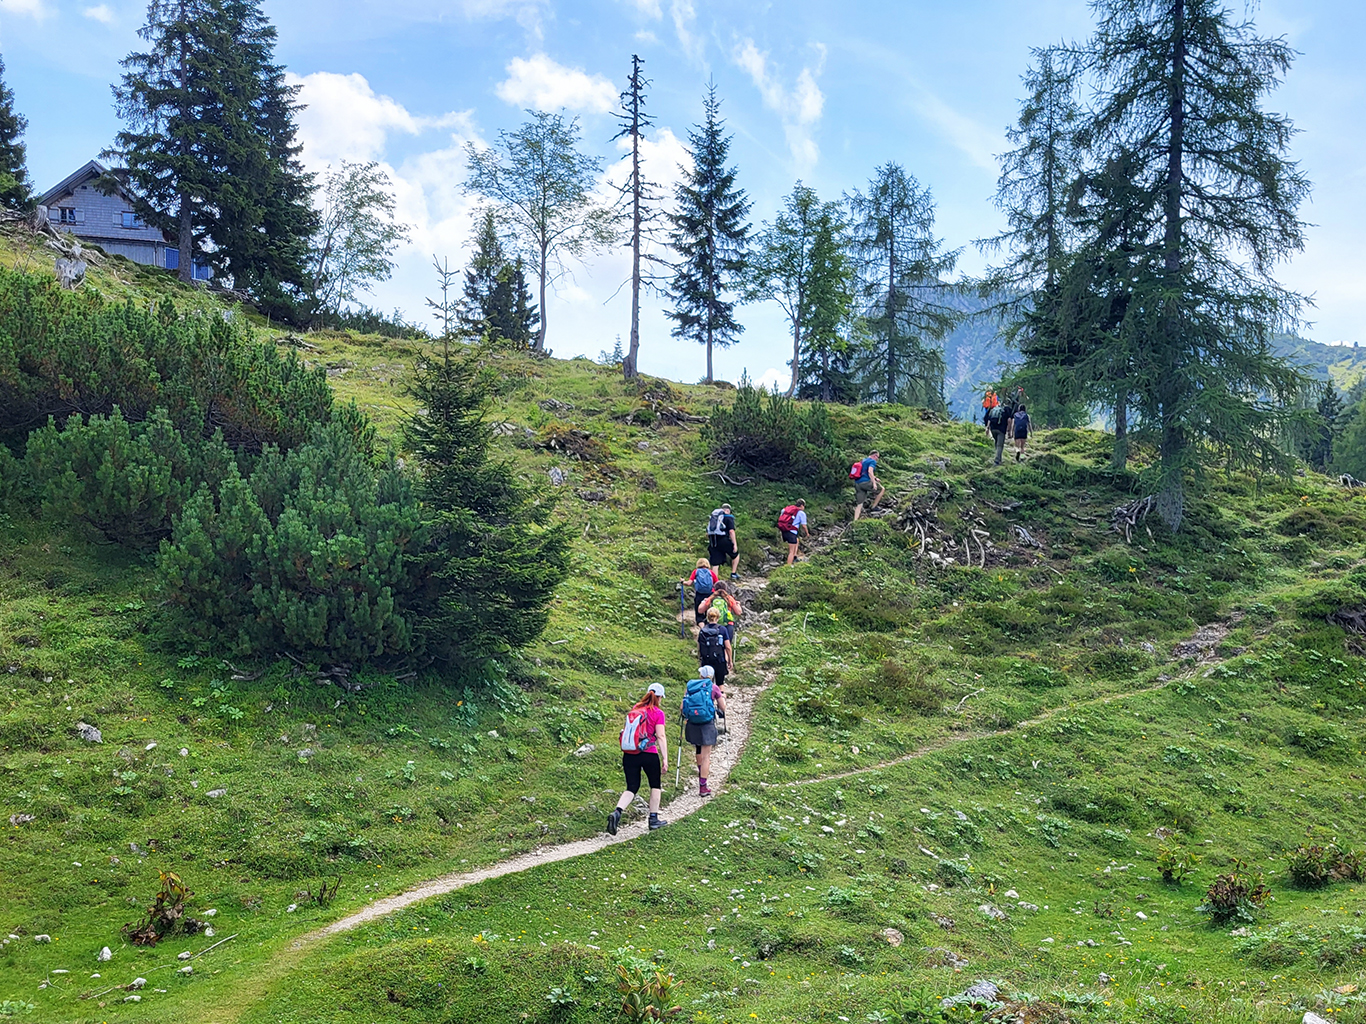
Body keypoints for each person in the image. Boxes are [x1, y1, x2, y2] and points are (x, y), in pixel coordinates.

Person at [607, 682, 670, 834]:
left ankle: (617, 812)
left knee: (632, 787)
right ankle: (653, 819)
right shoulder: (658, 713)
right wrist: (665, 758)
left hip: (630, 754)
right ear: (659, 697)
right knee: (655, 785)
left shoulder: (636, 709)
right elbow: (660, 736)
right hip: (649, 753)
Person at [681, 665, 727, 797]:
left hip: (692, 723)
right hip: (707, 723)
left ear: (701, 675)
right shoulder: (714, 688)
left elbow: (682, 707)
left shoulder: (691, 686)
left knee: (698, 749)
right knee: (707, 756)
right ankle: (703, 786)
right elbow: (723, 708)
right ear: (711, 677)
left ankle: (701, 773)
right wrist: (722, 698)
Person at [697, 606, 733, 689]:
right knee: (720, 684)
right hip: (719, 660)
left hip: (706, 660)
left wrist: (700, 659)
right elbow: (728, 647)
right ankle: (721, 700)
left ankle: (707, 700)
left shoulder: (703, 630)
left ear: (707, 617)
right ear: (718, 617)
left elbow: (699, 646)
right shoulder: (722, 629)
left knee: (706, 684)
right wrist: (730, 661)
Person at [707, 504, 740, 581]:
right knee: (735, 554)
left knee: (715, 563)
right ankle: (733, 573)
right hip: (723, 539)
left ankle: (715, 582)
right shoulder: (728, 517)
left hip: (713, 540)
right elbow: (731, 531)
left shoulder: (714, 518)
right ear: (728, 510)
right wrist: (735, 544)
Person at [680, 557, 715, 625]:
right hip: (710, 595)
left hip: (699, 594)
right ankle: (709, 628)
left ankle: (702, 627)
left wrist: (683, 582)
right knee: (709, 612)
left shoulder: (696, 571)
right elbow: (717, 584)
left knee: (699, 614)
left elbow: (689, 583)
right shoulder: (711, 572)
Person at [852, 450, 884, 521]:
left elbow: (864, 472)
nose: (877, 459)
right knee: (882, 489)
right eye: (877, 457)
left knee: (859, 504)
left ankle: (855, 520)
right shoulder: (872, 461)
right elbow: (870, 471)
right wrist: (874, 483)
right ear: (874, 455)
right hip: (865, 482)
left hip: (857, 483)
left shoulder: (863, 461)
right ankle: (873, 507)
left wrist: (875, 478)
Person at [777, 499, 809, 566]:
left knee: (797, 540)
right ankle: (788, 566)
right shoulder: (801, 513)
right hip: (792, 533)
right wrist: (807, 533)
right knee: (791, 551)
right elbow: (804, 525)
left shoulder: (785, 509)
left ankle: (795, 556)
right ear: (802, 505)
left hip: (784, 531)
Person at [987, 394, 1017, 466]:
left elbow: (989, 419)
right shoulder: (1007, 410)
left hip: (993, 428)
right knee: (1000, 445)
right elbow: (1009, 420)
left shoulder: (995, 409)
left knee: (996, 443)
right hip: (1001, 429)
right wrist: (1009, 431)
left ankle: (997, 457)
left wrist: (987, 428)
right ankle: (997, 461)